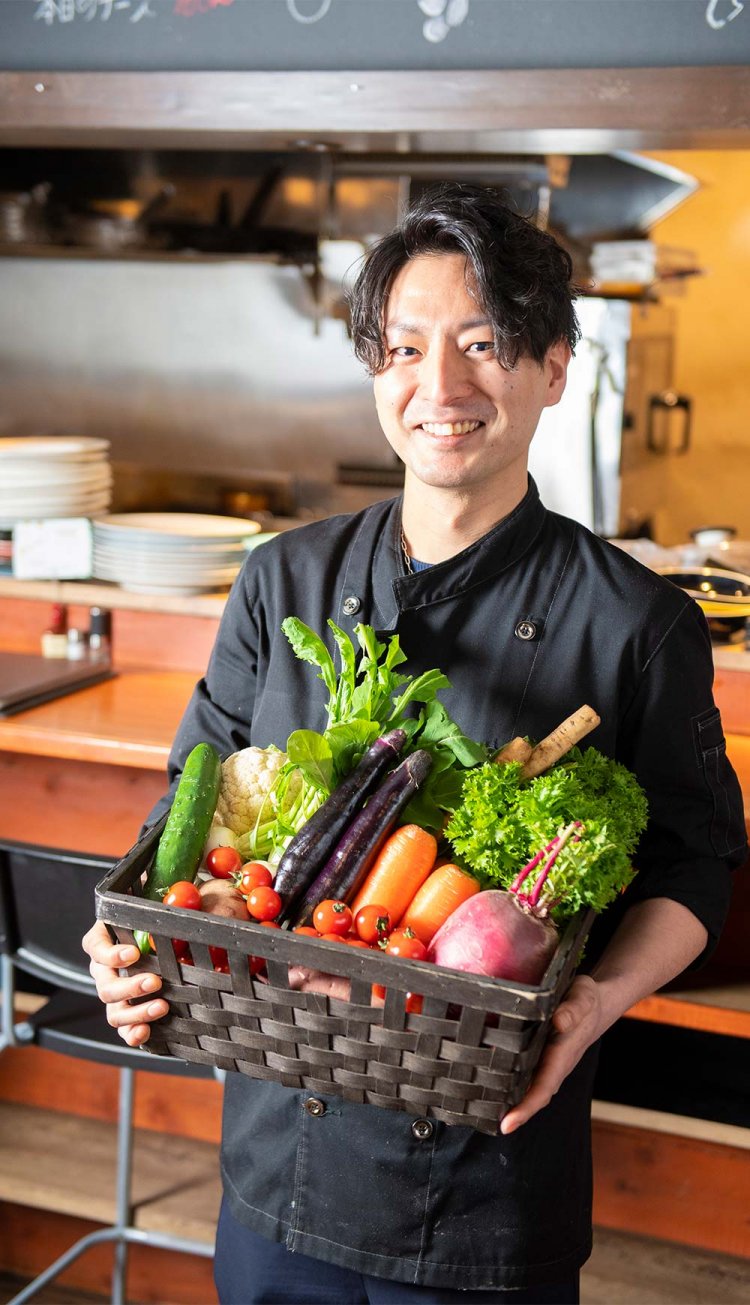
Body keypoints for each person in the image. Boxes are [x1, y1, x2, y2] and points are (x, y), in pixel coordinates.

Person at [83, 184, 747, 1305]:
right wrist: (128, 940)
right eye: (404, 347)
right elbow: (179, 818)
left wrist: (595, 1000)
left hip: (484, 1188)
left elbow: (696, 868)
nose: (440, 387)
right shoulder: (279, 580)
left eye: (482, 344)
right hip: (276, 1164)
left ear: (553, 367)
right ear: (375, 370)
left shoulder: (636, 623)